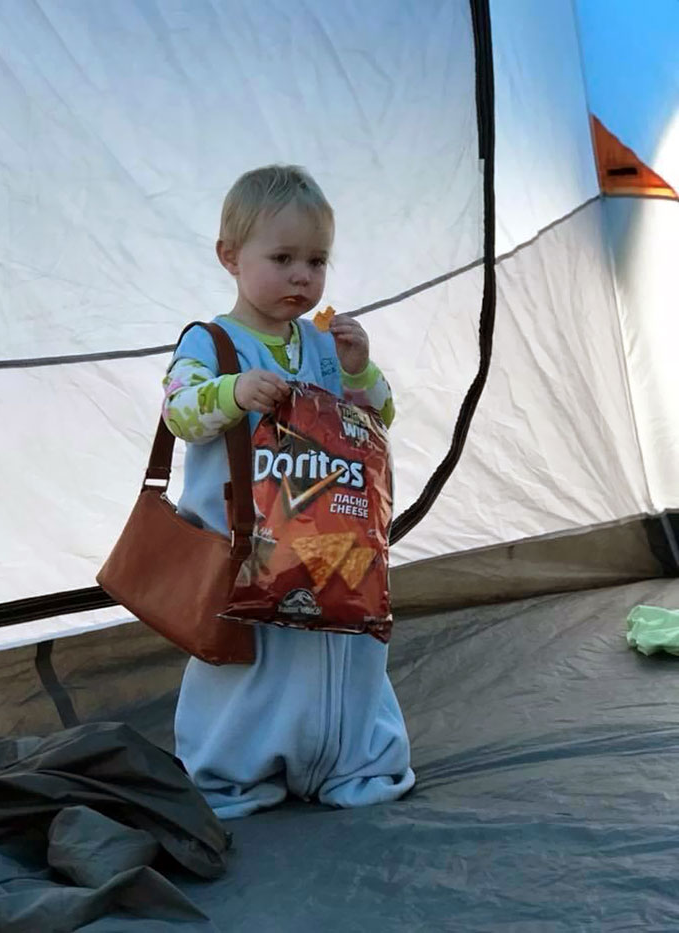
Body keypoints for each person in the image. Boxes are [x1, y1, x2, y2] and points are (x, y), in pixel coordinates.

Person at [162, 165, 415, 819]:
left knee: (339, 655)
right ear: (230, 257)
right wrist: (233, 391)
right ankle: (236, 771)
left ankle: (347, 761)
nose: (303, 276)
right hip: (246, 552)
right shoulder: (212, 342)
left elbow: (377, 418)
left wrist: (361, 370)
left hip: (328, 545)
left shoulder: (323, 344)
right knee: (249, 670)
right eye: (282, 258)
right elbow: (179, 412)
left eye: (317, 260)